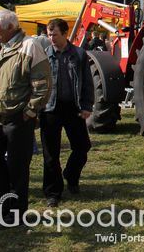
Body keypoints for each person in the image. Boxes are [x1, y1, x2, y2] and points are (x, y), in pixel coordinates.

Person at [0, 10, 51, 225]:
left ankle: (18, 213)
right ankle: (3, 210)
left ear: (10, 27)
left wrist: (29, 113)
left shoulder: (30, 46)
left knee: (17, 167)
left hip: (17, 119)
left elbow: (43, 86)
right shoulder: (4, 48)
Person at [41, 18, 93, 208]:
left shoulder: (79, 54)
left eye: (54, 34)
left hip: (73, 108)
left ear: (65, 33)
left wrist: (87, 106)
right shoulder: (44, 55)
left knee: (82, 147)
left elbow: (87, 82)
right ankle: (53, 192)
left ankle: (71, 175)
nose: (51, 38)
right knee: (50, 154)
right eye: (49, 35)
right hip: (50, 109)